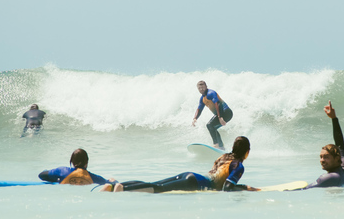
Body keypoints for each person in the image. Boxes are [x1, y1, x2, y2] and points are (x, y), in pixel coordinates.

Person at [110, 136, 259, 193]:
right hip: (195, 182)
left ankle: (118, 185)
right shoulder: (238, 166)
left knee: (154, 184)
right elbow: (227, 188)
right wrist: (245, 188)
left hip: (190, 175)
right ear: (247, 151)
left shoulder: (224, 157)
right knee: (158, 189)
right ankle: (121, 189)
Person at [305, 101, 344, 189]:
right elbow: (340, 144)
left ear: (337, 158)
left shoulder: (329, 177)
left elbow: (305, 189)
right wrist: (334, 118)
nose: (322, 160)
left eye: (326, 157)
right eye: (321, 157)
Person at [38, 148, 118, 189]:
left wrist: (58, 180)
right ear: (86, 163)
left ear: (72, 162)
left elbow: (41, 176)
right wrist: (113, 181)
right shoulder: (93, 178)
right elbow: (109, 184)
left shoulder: (62, 171)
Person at [192, 81, 233, 150]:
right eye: (199, 88)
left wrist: (220, 117)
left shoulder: (211, 93)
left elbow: (218, 104)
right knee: (212, 128)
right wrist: (195, 118)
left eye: (202, 87)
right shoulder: (202, 98)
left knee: (209, 125)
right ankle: (221, 147)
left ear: (206, 87)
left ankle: (216, 144)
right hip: (220, 114)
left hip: (226, 112)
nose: (201, 89)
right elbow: (199, 108)